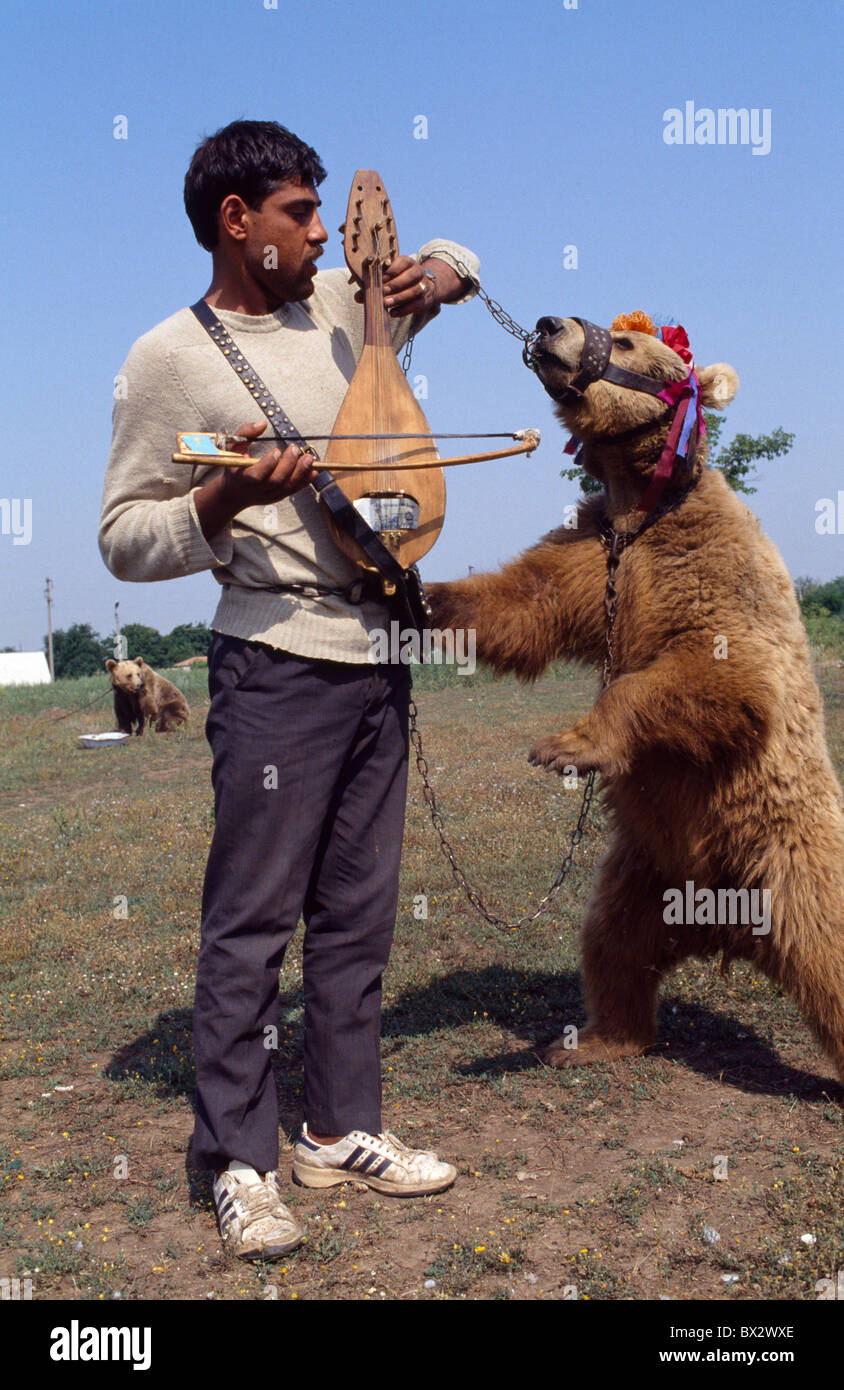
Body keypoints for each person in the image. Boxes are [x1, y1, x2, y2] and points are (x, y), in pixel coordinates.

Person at [99, 120, 479, 1260]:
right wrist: (220, 505)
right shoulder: (167, 356)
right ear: (237, 223)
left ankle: (339, 1125)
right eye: (299, 215)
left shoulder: (347, 309)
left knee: (359, 917)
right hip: (271, 663)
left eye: (325, 214)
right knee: (253, 923)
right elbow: (122, 537)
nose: (321, 234)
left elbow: (457, 261)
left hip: (378, 657)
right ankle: (241, 1161)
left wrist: (450, 270)